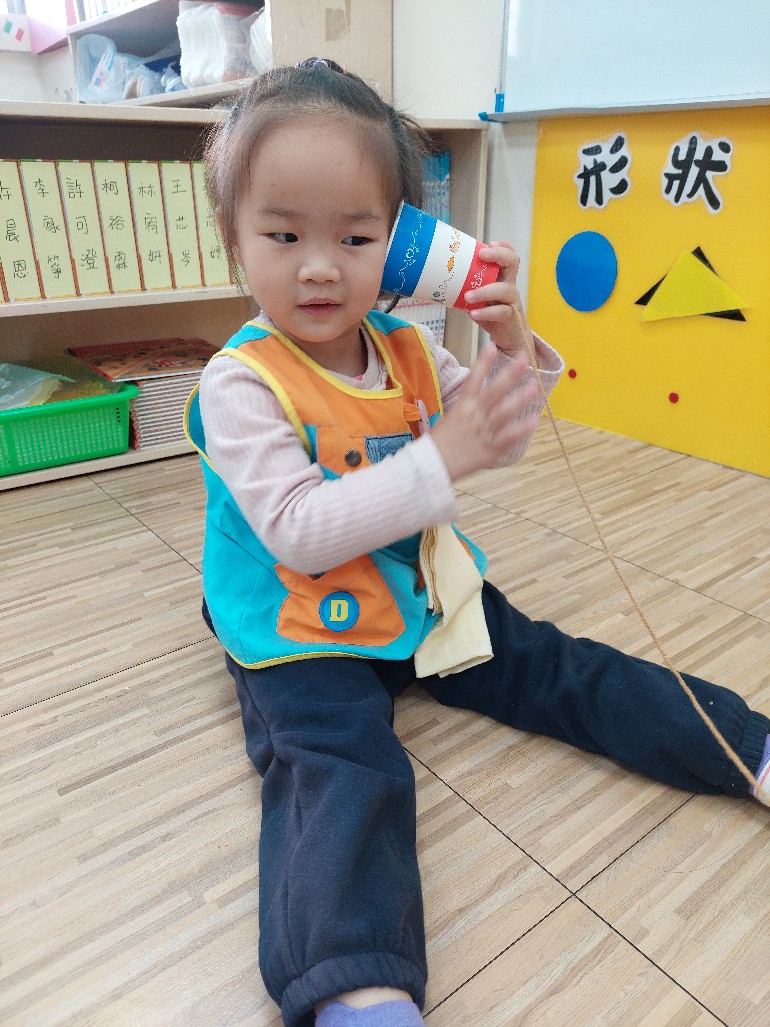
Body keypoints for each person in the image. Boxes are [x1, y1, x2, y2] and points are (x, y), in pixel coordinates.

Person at [185, 58, 770, 1027]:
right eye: (283, 235)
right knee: (338, 760)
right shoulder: (239, 381)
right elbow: (296, 530)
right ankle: (357, 987)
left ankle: (744, 744)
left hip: (416, 589)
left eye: (355, 237)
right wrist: (441, 457)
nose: (320, 266)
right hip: (298, 618)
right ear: (233, 238)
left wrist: (510, 345)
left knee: (558, 665)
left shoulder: (410, 345)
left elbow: (507, 429)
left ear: (401, 242)